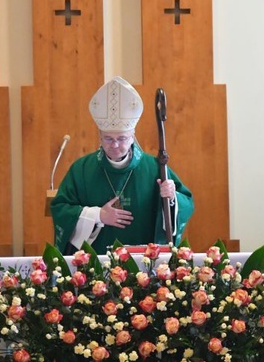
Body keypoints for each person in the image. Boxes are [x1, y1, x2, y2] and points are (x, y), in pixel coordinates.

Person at [51, 76, 194, 254]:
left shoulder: (154, 167)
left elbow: (186, 202)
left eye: (122, 138)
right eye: (108, 139)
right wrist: (97, 216)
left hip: (145, 264)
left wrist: (171, 197)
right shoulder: (81, 170)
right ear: (100, 136)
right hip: (94, 263)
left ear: (132, 135)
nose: (115, 144)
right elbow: (60, 209)